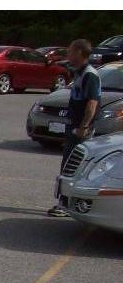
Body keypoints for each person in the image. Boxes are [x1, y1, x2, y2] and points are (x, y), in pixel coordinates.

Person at [48, 39, 102, 217]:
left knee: (73, 166)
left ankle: (66, 204)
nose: (68, 55)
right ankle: (65, 201)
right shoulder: (78, 73)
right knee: (68, 164)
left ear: (80, 52)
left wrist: (83, 126)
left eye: (71, 51)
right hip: (73, 125)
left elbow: (92, 103)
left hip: (81, 129)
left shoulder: (90, 75)